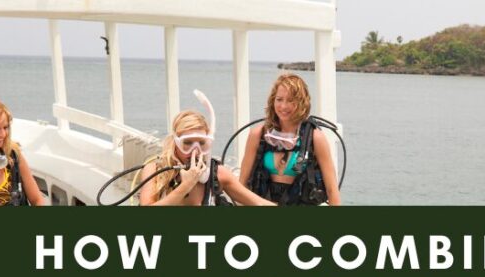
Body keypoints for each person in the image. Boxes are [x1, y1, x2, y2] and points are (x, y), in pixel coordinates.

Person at [139, 90, 273, 206]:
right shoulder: (155, 170)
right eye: (187, 143)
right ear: (175, 142)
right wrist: (186, 185)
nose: (195, 150)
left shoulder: (217, 174)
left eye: (202, 143)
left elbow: (259, 203)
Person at [239, 73, 340, 206]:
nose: (283, 106)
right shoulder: (258, 134)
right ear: (272, 101)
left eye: (291, 100)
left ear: (301, 103)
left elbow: (332, 190)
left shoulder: (315, 138)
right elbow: (242, 184)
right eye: (279, 99)